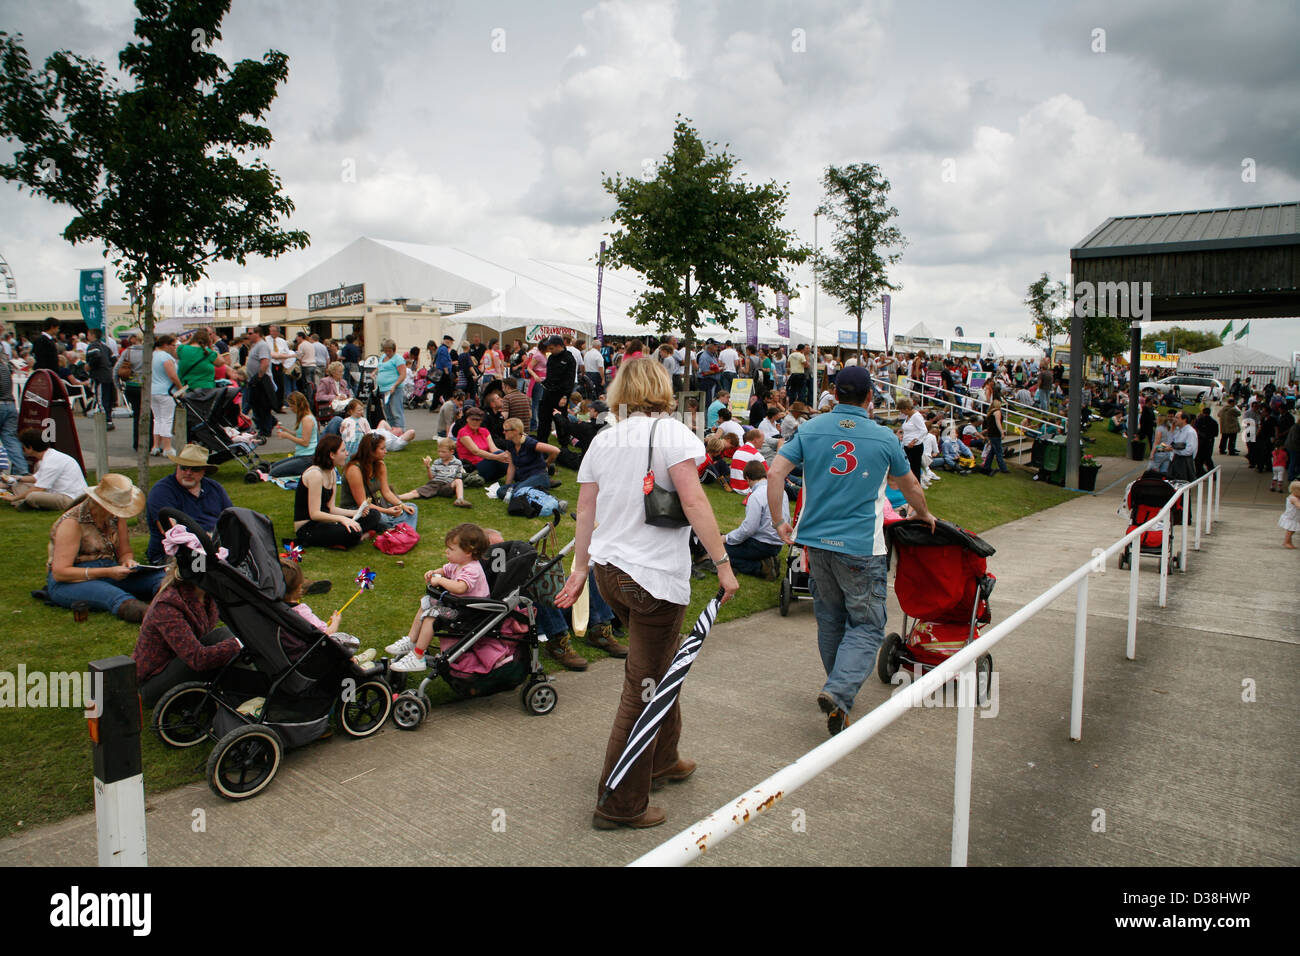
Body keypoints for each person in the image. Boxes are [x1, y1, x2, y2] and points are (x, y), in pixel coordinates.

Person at [554, 357, 738, 831]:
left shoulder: (603, 438)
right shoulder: (673, 434)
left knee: (657, 667)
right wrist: (722, 563)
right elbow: (695, 501)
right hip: (652, 577)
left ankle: (662, 759)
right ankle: (619, 803)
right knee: (643, 688)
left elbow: (585, 510)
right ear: (662, 388)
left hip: (610, 573)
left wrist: (579, 570)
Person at [767, 366, 936, 737]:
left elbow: (776, 472)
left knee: (830, 619)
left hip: (816, 543)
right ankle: (839, 690)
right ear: (870, 398)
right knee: (869, 624)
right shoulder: (883, 437)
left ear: (834, 394)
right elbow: (910, 486)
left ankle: (839, 696)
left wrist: (780, 521)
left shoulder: (810, 428)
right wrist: (923, 514)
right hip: (861, 546)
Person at [133, 532, 242, 707]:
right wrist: (238, 644)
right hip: (154, 684)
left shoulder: (206, 595)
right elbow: (198, 659)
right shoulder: (167, 605)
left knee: (225, 635)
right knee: (227, 639)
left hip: (180, 662)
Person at [43, 473, 162, 623]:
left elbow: (125, 552)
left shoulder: (116, 517)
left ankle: (174, 604)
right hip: (72, 580)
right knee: (114, 596)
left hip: (108, 570)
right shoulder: (72, 523)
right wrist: (108, 572)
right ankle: (157, 618)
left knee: (160, 578)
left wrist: (128, 561)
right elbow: (60, 573)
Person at [387, 523, 493, 673]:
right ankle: (411, 640)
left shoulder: (472, 569)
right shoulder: (457, 564)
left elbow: (460, 587)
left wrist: (440, 580)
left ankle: (418, 656)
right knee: (426, 602)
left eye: (451, 549)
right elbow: (444, 570)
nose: (446, 552)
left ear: (468, 552)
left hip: (470, 613)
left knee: (433, 614)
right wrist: (434, 573)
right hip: (458, 607)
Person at [143, 444, 233, 564]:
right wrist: (205, 540)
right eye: (184, 468)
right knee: (206, 572)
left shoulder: (215, 488)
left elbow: (231, 519)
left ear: (204, 471)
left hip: (216, 549)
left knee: (249, 562)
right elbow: (171, 532)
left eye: (195, 469)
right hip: (179, 554)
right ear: (177, 467)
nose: (188, 472)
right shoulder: (162, 491)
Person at [292, 435, 381, 549]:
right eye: (343, 451)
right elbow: (314, 514)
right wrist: (342, 519)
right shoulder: (315, 474)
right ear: (332, 455)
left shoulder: (332, 472)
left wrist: (356, 513)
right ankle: (358, 537)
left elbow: (331, 508)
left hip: (326, 520)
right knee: (352, 532)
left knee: (373, 515)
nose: (347, 454)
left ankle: (350, 537)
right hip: (308, 527)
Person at [723, 459, 789, 579]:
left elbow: (749, 529)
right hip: (777, 544)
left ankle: (761, 568)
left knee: (720, 552)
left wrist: (727, 538)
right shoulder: (781, 491)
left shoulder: (756, 496)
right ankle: (767, 562)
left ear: (748, 478)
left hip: (761, 545)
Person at [340, 433, 417, 531]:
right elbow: (362, 503)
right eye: (382, 449)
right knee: (380, 517)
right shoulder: (354, 469)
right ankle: (402, 529)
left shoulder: (380, 465)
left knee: (412, 507)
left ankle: (399, 530)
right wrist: (387, 511)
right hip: (357, 510)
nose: (386, 451)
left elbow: (386, 492)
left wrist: (402, 505)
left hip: (375, 505)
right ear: (371, 451)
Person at [3, 428, 89, 511]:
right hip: (55, 492)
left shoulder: (51, 462)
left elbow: (39, 488)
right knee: (18, 484)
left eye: (23, 447)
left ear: (30, 447)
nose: (23, 449)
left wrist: (14, 497)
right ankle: (23, 502)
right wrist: (17, 478)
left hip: (70, 498)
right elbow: (37, 478)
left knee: (32, 496)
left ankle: (23, 501)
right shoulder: (48, 456)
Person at [492, 417, 561, 501]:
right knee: (501, 491)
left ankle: (550, 498)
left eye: (506, 430)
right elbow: (512, 466)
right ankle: (536, 492)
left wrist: (547, 464)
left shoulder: (529, 443)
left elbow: (555, 451)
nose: (503, 432)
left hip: (538, 476)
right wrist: (508, 486)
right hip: (524, 479)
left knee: (517, 493)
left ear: (515, 431)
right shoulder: (510, 443)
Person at [401, 437, 473, 507]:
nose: (440, 454)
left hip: (447, 486)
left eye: (443, 452)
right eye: (439, 451)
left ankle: (460, 500)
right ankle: (397, 497)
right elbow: (431, 478)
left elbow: (458, 477)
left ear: (452, 452)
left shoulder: (457, 463)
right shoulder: (437, 462)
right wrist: (428, 467)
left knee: (458, 481)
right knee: (415, 492)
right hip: (434, 484)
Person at [268, 391, 318, 478]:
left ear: (297, 405)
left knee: (274, 473)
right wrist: (287, 431)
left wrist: (287, 436)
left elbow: (305, 442)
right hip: (302, 455)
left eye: (291, 406)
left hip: (307, 457)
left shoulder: (307, 419)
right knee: (273, 467)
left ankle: (303, 471)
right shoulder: (304, 417)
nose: (291, 409)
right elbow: (301, 435)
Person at [456, 406, 511, 485]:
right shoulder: (463, 432)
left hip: (486, 463)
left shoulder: (484, 431)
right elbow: (476, 451)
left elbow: (494, 449)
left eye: (478, 420)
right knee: (500, 456)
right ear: (467, 419)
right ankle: (520, 477)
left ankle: (519, 476)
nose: (475, 422)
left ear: (481, 421)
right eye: (473, 419)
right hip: (472, 467)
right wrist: (497, 457)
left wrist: (505, 454)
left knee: (504, 454)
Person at [537, 335, 576, 446]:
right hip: (548, 392)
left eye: (552, 348)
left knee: (560, 422)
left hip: (560, 395)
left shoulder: (569, 359)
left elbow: (570, 379)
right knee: (544, 420)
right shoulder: (551, 358)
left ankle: (564, 446)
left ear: (559, 346)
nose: (550, 350)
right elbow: (549, 376)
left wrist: (565, 396)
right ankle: (541, 445)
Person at [148, 334, 183, 457]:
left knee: (157, 419)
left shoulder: (151, 355)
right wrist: (180, 388)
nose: (174, 348)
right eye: (173, 345)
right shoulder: (166, 357)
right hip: (166, 391)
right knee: (167, 419)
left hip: (152, 390)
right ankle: (167, 447)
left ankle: (156, 446)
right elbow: (173, 376)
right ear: (165, 345)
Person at [0, 349, 28, 474]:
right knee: (11, 440)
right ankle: (22, 471)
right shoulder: (5, 366)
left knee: (10, 439)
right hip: (10, 405)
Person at [376, 338, 408, 431]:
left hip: (394, 389)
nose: (387, 353)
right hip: (384, 389)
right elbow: (380, 368)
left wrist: (394, 385)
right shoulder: (382, 357)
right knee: (388, 413)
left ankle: (400, 431)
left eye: (389, 351)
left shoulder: (398, 359)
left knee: (396, 412)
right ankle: (392, 431)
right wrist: (375, 373)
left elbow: (403, 374)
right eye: (385, 351)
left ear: (393, 350)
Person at [976, 399, 1009, 475]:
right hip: (995, 434)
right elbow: (998, 423)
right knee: (999, 451)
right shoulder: (997, 412)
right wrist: (1002, 432)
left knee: (992, 452)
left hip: (992, 434)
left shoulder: (991, 412)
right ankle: (1003, 468)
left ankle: (987, 466)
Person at [728, 428, 765, 494]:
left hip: (734, 486)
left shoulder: (738, 451)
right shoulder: (755, 454)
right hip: (746, 489)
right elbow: (768, 474)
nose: (764, 441)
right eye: (762, 439)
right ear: (755, 440)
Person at [1167, 410, 1198, 483]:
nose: (1174, 420)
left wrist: (1173, 450)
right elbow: (1171, 442)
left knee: (1183, 485)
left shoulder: (1190, 432)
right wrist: (1172, 430)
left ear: (1184, 419)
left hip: (1184, 462)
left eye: (1177, 418)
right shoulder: (1178, 430)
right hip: (1175, 460)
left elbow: (1189, 451)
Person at [1280, 479, 1300, 548]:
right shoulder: (1294, 499)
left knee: (1292, 530)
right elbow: (1298, 506)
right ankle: (1286, 542)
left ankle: (1289, 542)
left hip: (1294, 517)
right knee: (1290, 530)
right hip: (1291, 517)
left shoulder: (1296, 497)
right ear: (1296, 491)